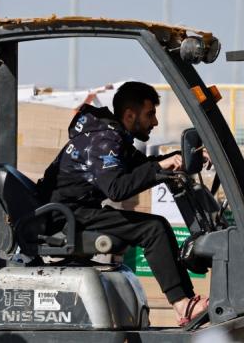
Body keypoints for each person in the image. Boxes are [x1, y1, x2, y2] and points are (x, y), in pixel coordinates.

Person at [42, 81, 208, 326]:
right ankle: (182, 304)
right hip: (67, 215)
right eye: (150, 114)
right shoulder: (103, 141)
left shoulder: (114, 137)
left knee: (156, 226)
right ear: (130, 114)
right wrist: (159, 168)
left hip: (78, 210)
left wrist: (183, 160)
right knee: (153, 229)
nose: (155, 122)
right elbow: (117, 189)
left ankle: (185, 301)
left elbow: (144, 167)